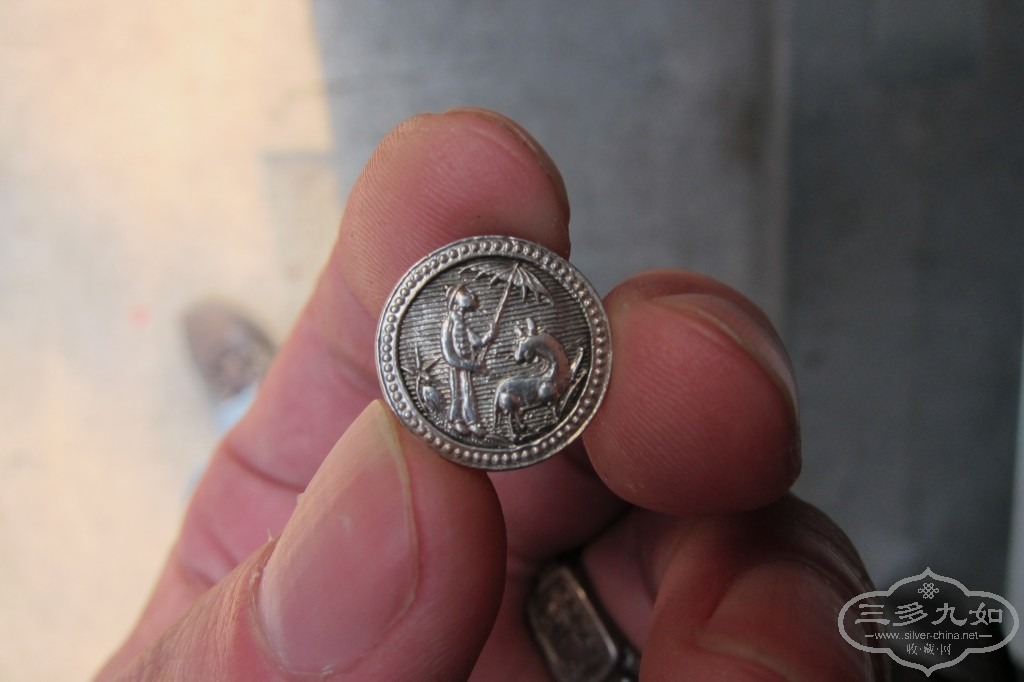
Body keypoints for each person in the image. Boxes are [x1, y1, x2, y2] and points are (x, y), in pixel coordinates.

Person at [94, 108, 886, 681]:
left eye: (472, 303)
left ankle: (252, 404)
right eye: (469, 305)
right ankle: (252, 402)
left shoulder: (486, 340)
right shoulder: (454, 335)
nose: (470, 306)